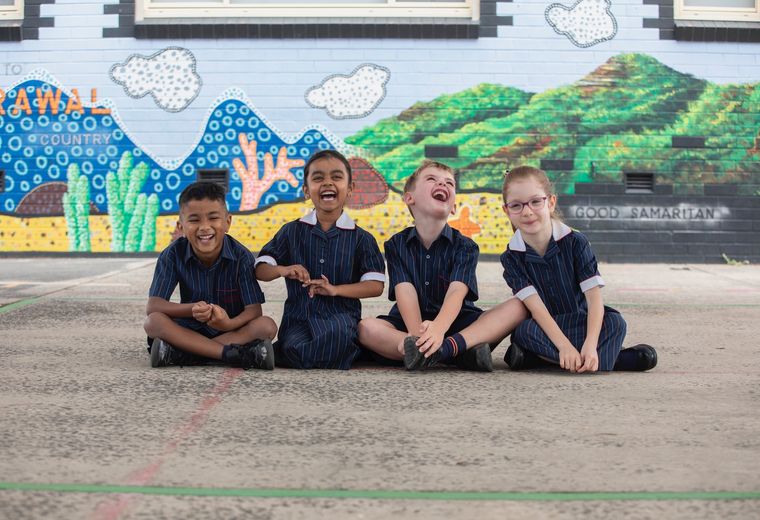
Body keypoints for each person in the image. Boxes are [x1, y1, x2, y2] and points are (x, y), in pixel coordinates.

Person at [358, 160, 527, 372]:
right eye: (432, 179)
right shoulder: (396, 244)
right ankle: (440, 351)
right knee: (365, 328)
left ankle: (444, 349)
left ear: (454, 206)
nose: (443, 184)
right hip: (410, 324)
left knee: (518, 306)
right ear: (409, 198)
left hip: (459, 323)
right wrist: (420, 335)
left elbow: (457, 290)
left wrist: (438, 329)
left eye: (449, 183)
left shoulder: (465, 246)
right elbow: (405, 290)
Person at [499, 165, 657, 372]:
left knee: (616, 322)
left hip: (582, 321)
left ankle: (543, 359)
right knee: (523, 331)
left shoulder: (575, 242)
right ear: (506, 211)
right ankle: (615, 360)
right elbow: (537, 310)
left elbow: (594, 299)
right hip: (546, 327)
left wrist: (591, 344)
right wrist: (564, 346)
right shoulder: (511, 257)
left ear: (551, 202)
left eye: (536, 202)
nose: (527, 211)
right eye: (516, 205)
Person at [254, 149, 385, 369]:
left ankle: (283, 353)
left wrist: (336, 290)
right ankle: (293, 351)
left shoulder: (362, 239)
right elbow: (261, 269)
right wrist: (283, 270)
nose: (327, 183)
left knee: (337, 338)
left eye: (336, 176)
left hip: (341, 317)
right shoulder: (291, 231)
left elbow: (375, 286)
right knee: (293, 345)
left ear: (350, 189)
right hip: (299, 318)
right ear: (306, 190)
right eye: (318, 178)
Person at [143, 181, 277, 369]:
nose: (205, 227)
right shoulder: (172, 255)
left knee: (266, 326)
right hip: (189, 329)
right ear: (181, 226)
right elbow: (154, 306)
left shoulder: (241, 256)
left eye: (213, 218)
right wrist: (191, 309)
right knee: (153, 322)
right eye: (194, 220)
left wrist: (228, 324)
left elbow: (254, 311)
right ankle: (228, 354)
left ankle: (183, 354)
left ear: (228, 222)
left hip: (230, 329)